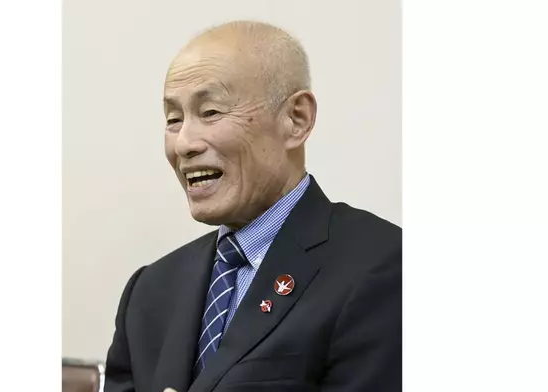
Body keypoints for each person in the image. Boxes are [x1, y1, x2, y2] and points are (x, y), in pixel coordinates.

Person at [105, 20, 401, 392]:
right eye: (173, 119)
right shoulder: (149, 292)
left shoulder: (383, 266)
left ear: (296, 119)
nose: (183, 144)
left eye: (210, 112)